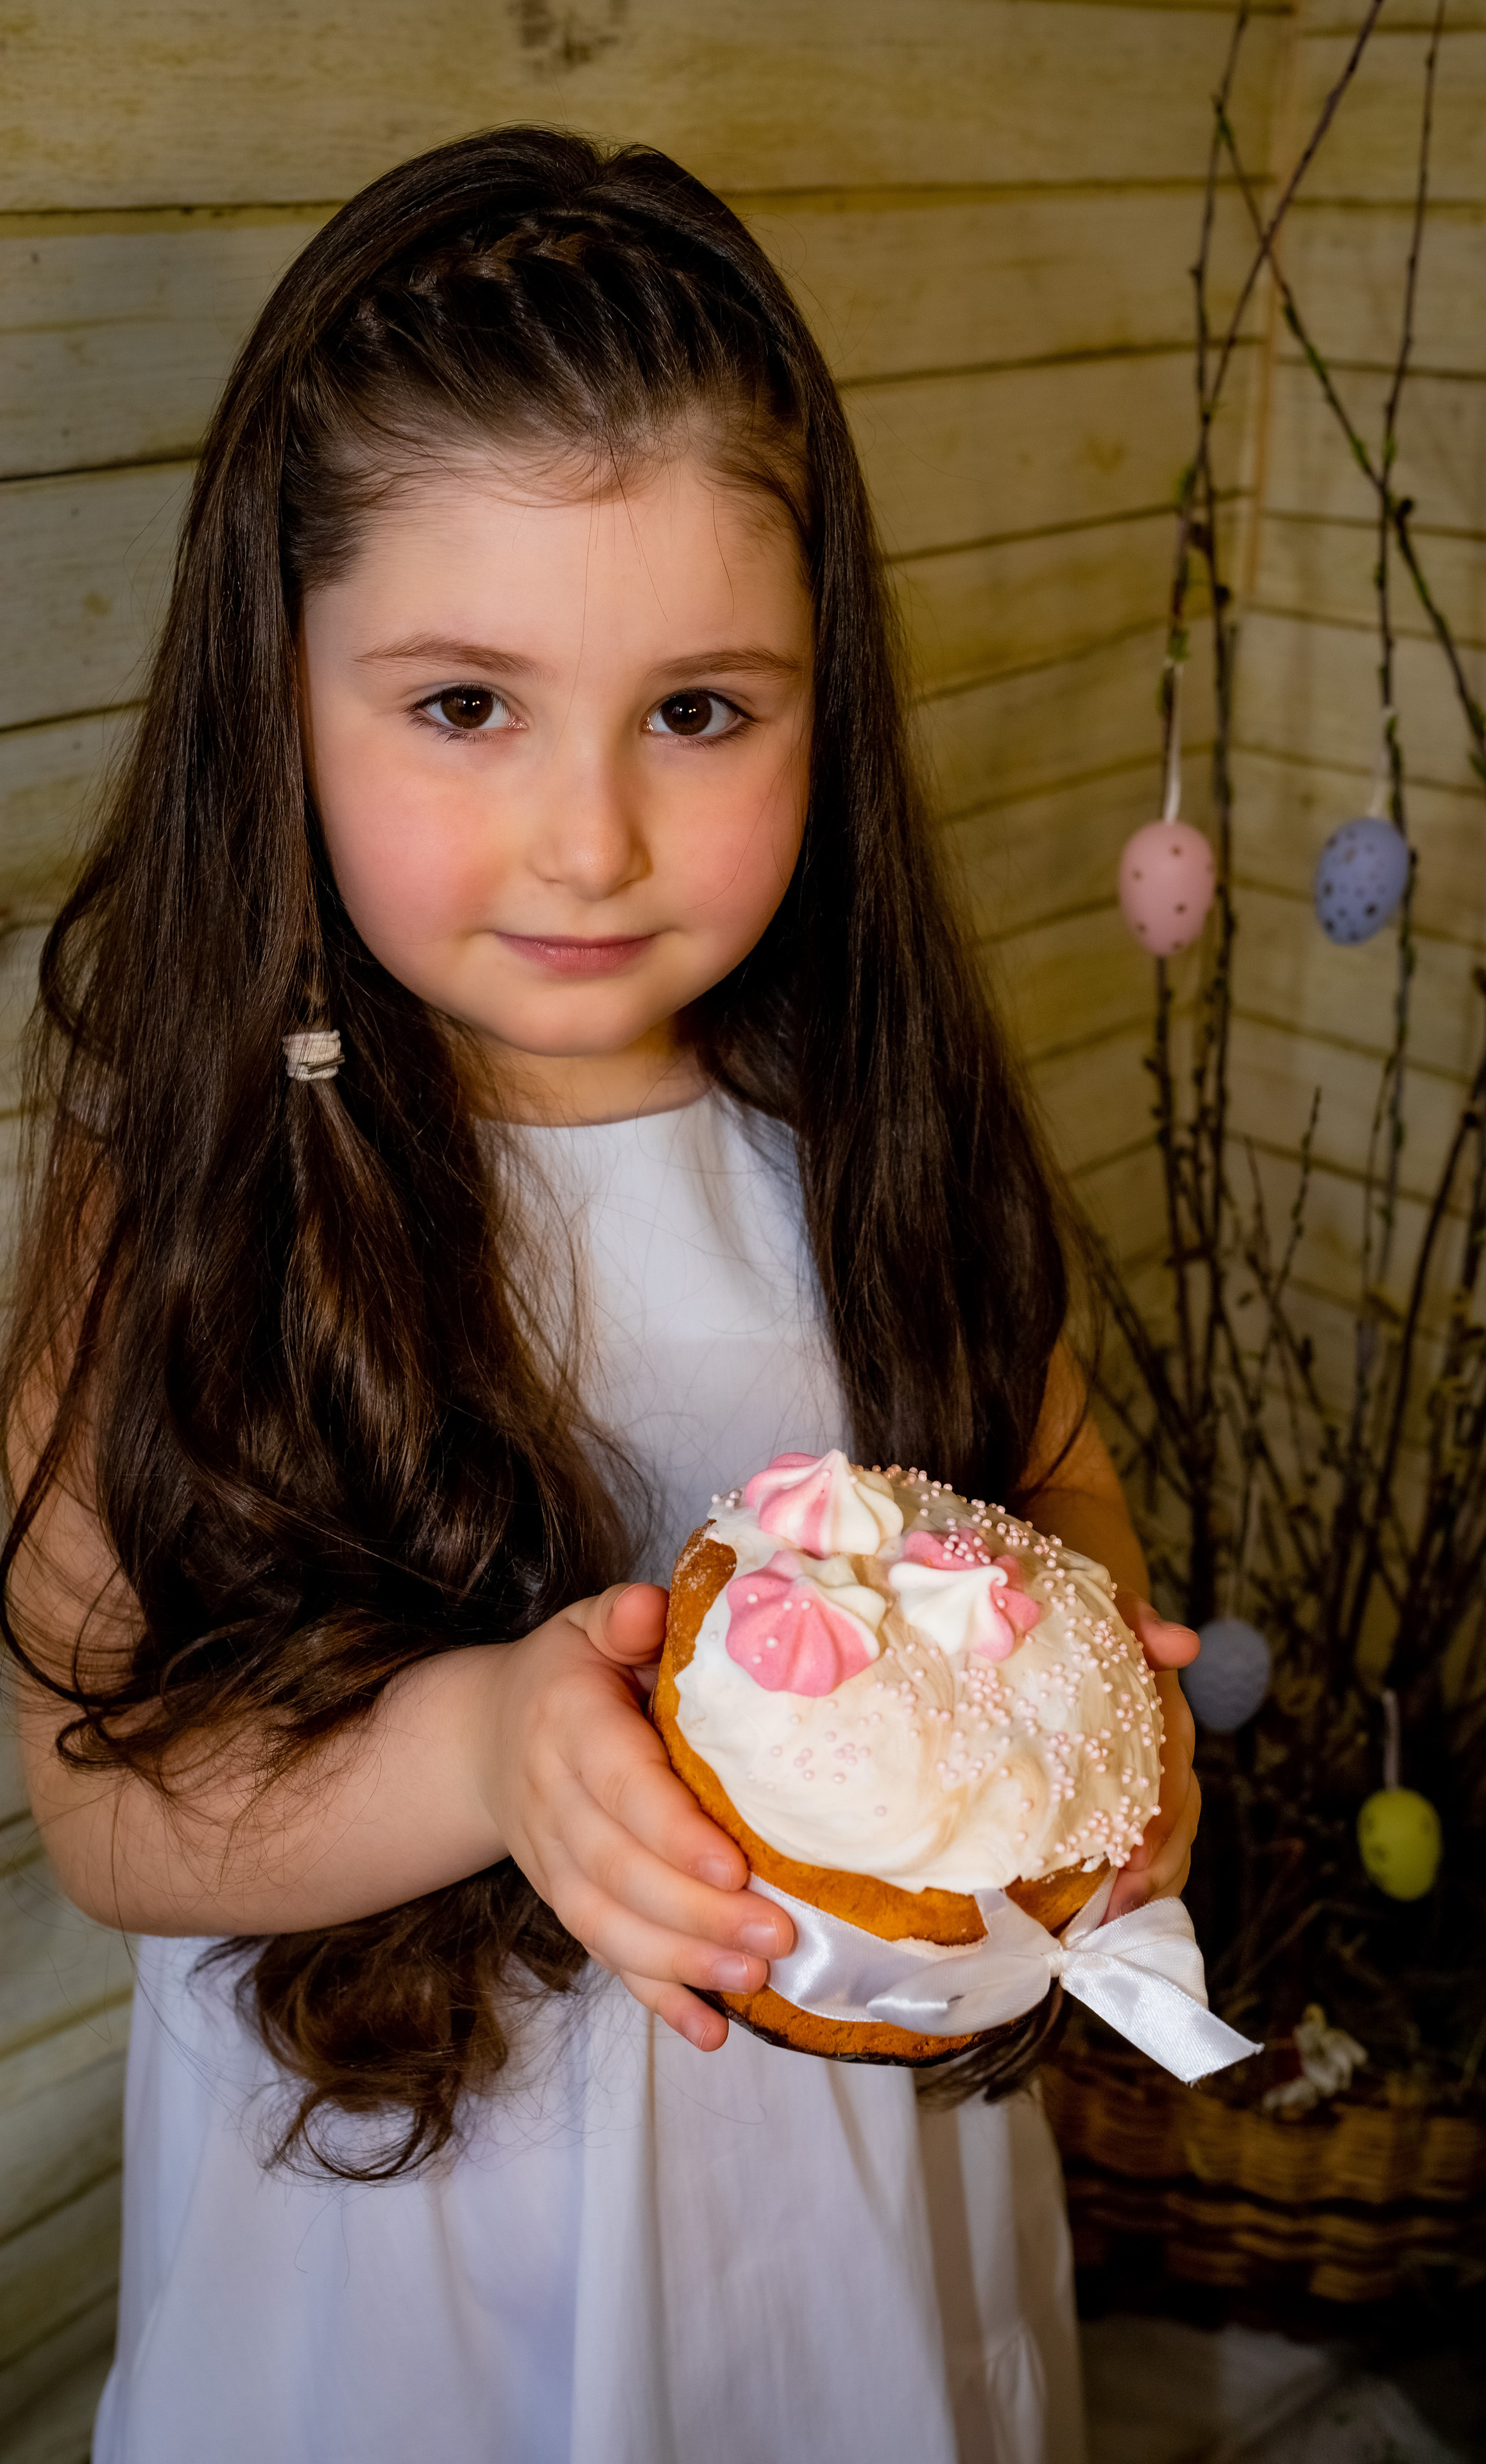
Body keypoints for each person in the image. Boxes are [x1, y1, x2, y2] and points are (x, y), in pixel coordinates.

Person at [2, 128, 1200, 2464]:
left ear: (820, 698)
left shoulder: (873, 1128)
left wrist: (1111, 1763)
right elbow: (109, 1815)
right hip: (400, 2262)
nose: (592, 838)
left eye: (698, 710)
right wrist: (473, 1755)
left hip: (844, 2212)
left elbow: (1064, 1499)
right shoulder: (192, 1194)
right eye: (465, 706)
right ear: (287, 686)